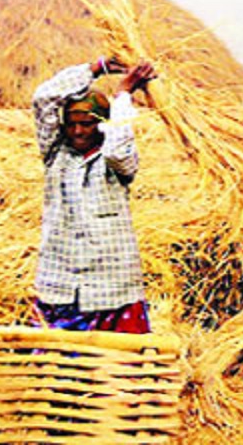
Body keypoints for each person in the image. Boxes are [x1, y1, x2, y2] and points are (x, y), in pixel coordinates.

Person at [31, 56, 156, 333]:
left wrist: (123, 94)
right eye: (72, 124)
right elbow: (43, 98)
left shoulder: (116, 163)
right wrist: (95, 69)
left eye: (87, 124)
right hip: (60, 283)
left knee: (119, 370)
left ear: (102, 125)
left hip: (111, 288)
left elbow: (117, 149)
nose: (77, 131)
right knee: (55, 369)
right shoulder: (55, 154)